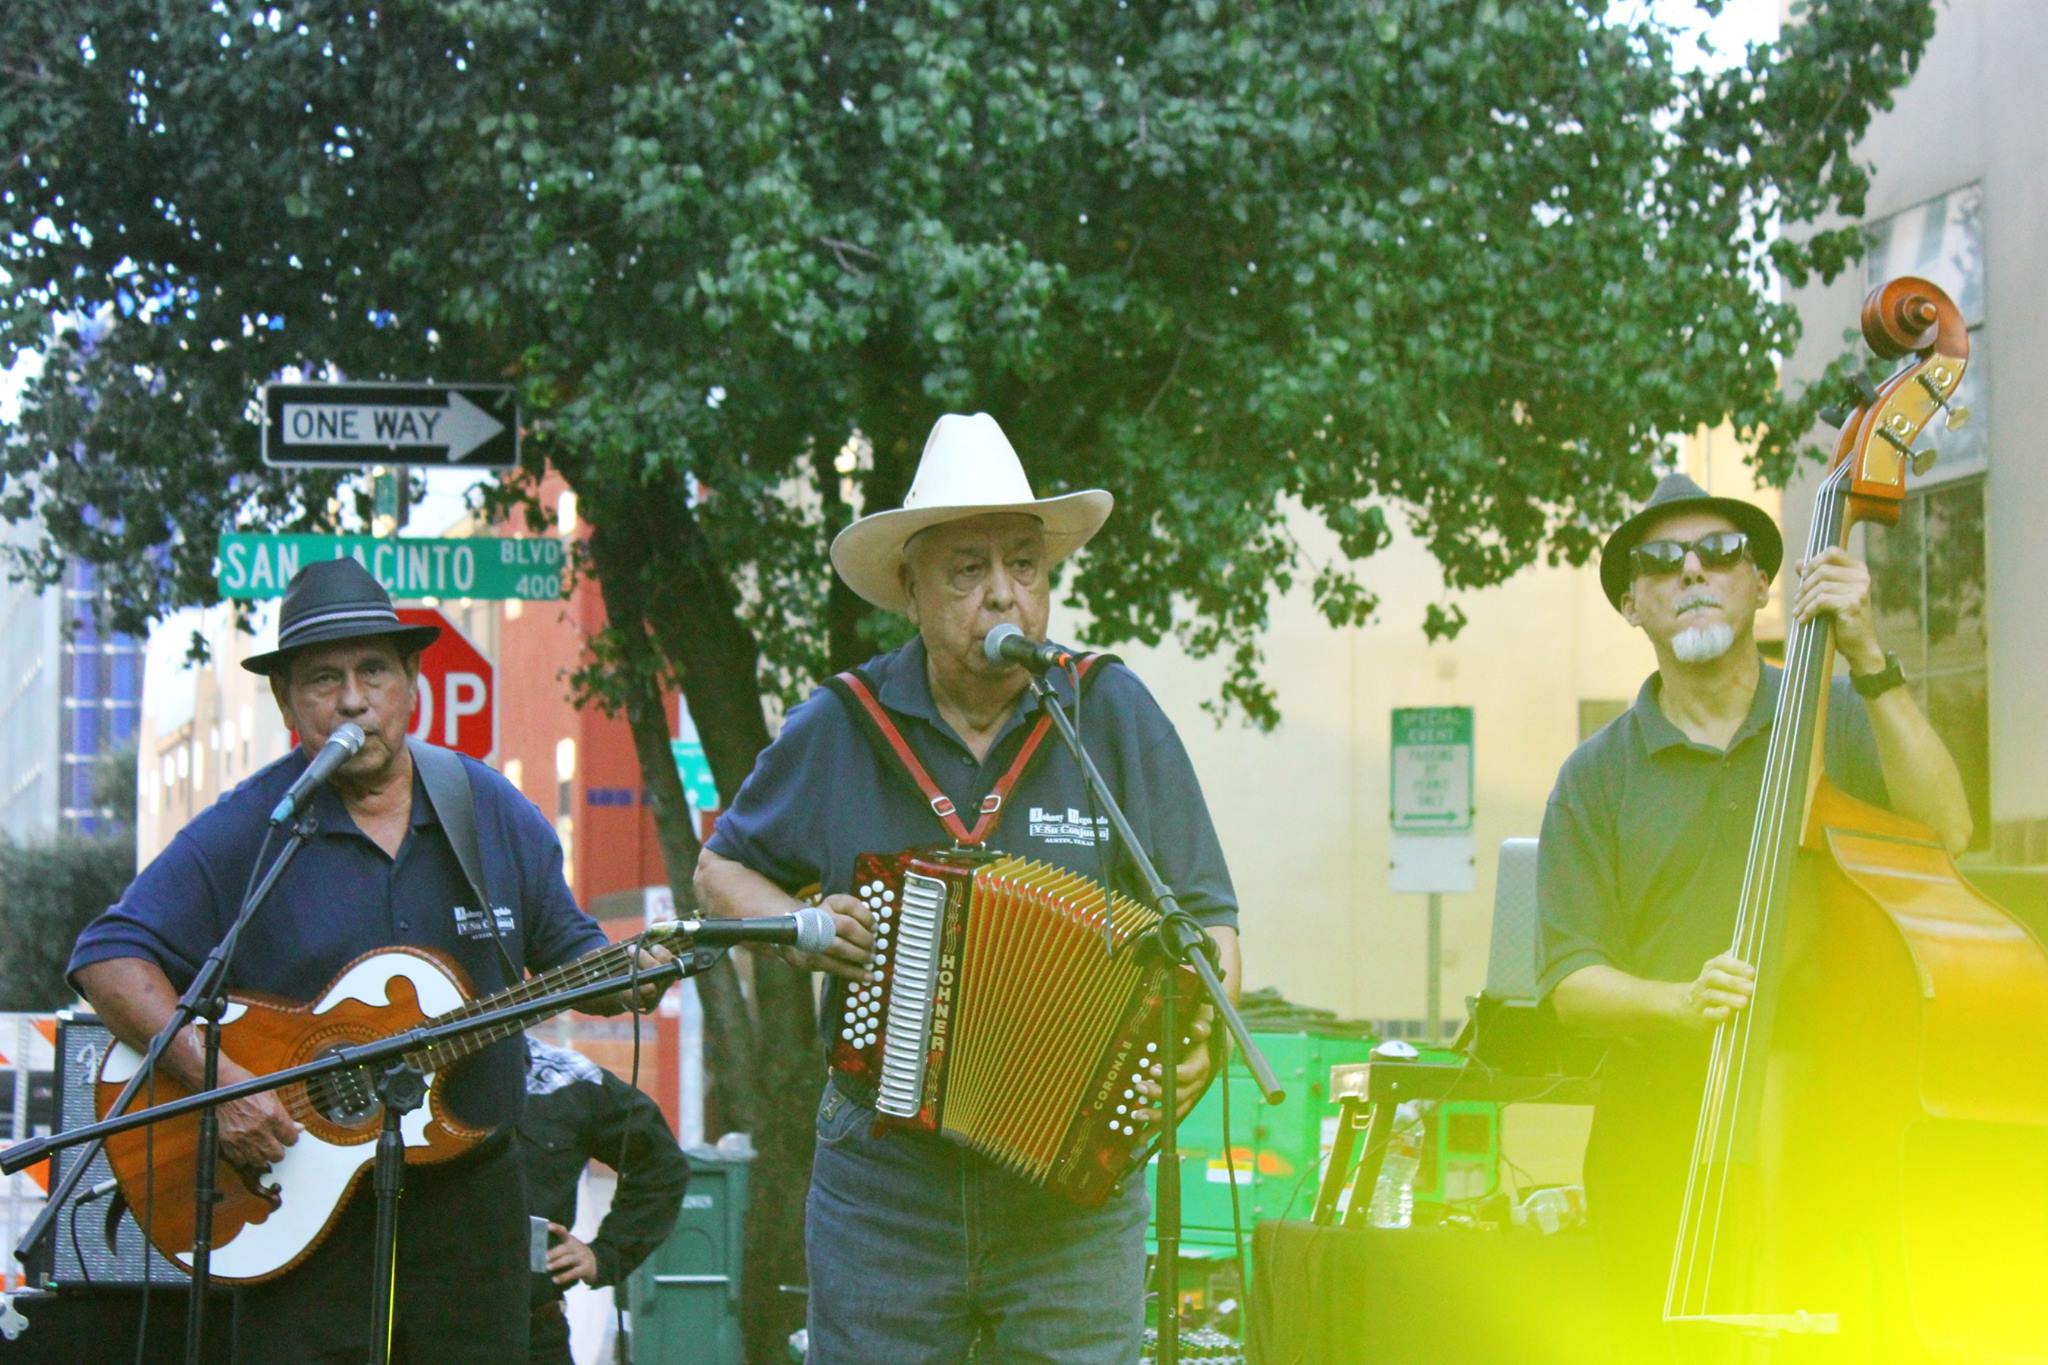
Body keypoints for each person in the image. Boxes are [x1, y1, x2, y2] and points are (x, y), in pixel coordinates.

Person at [694, 412, 1243, 1364]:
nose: (1004, 596)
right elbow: (719, 869)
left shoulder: (1107, 709)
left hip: (1074, 1177)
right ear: (910, 587)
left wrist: (1199, 1034)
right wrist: (804, 924)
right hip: (886, 1179)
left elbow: (1207, 916)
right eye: (968, 569)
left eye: (1024, 565)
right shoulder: (843, 723)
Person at [67, 557, 668, 1364]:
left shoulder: (489, 809)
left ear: (411, 681)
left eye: (373, 671)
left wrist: (633, 971)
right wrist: (225, 1090)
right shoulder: (255, 826)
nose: (353, 698)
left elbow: (572, 952)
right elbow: (108, 955)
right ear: (286, 701)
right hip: (298, 1208)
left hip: (472, 1209)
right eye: (323, 678)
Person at [1535, 473, 1972, 1356]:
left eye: (1720, 551)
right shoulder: (1596, 775)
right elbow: (1569, 979)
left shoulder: (1841, 719)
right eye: (1660, 562)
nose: (1692, 570)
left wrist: (1869, 654)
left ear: (1762, 584)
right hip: (1656, 1138)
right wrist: (1679, 1001)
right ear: (1632, 605)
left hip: (1833, 1126)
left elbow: (1949, 829)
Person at [519, 1035, 689, 1365]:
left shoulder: (568, 1079)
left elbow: (661, 1165)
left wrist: (607, 1254)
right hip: (414, 1332)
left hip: (532, 1331)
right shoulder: (402, 1073)